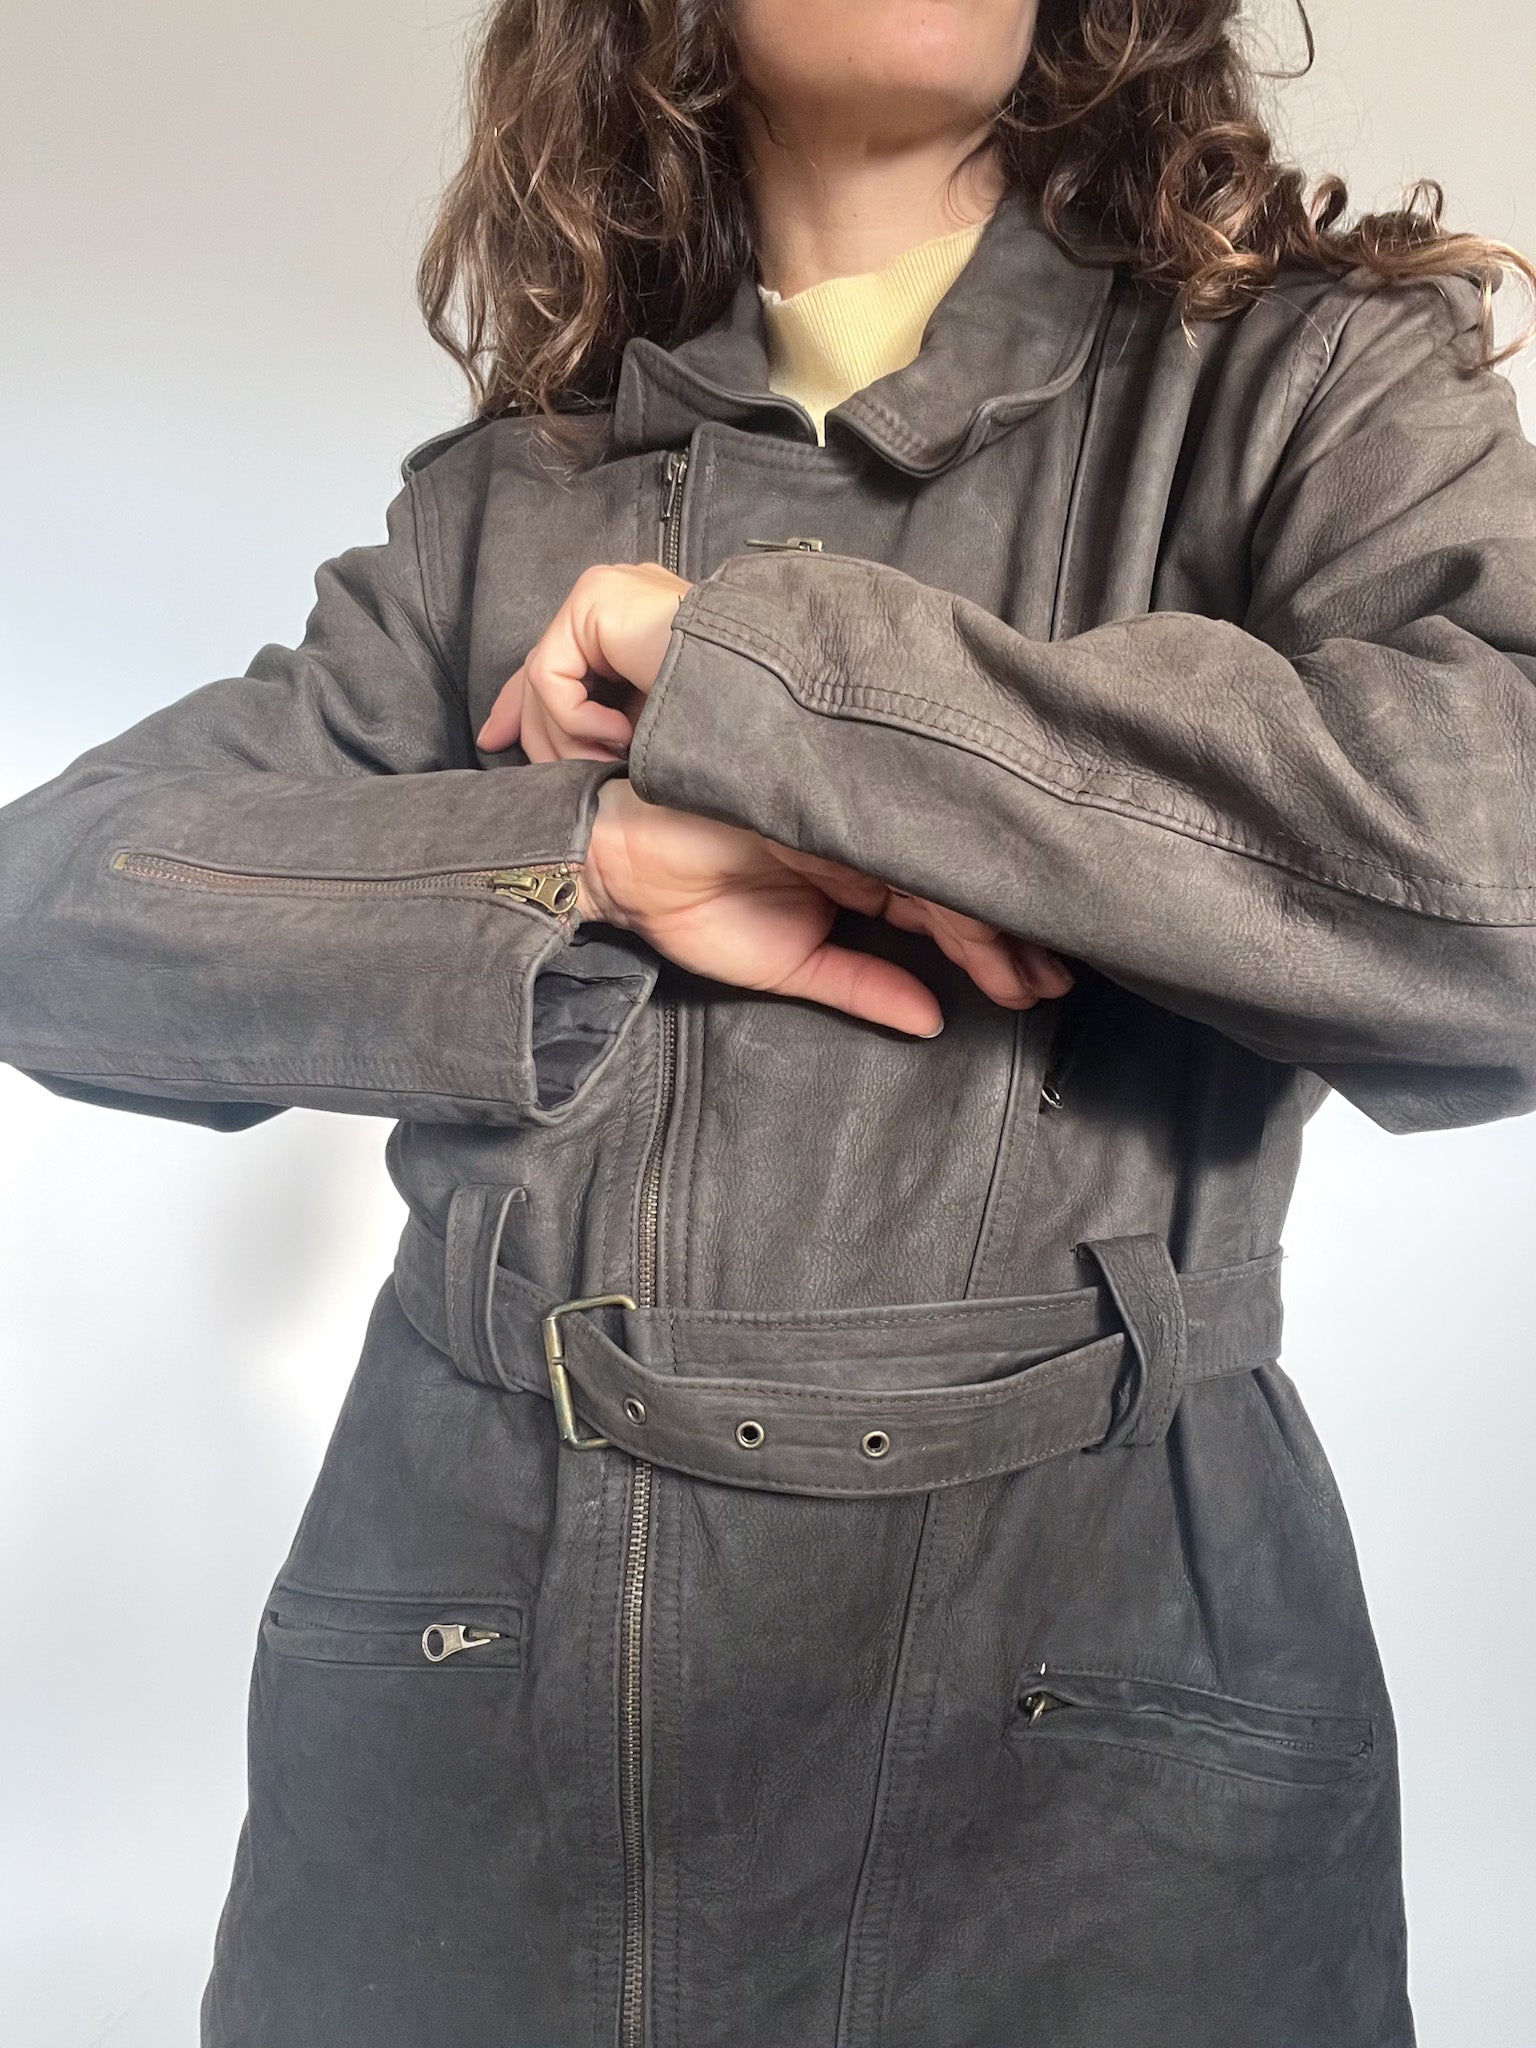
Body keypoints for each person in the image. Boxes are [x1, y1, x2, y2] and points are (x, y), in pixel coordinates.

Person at [4, 1, 1536, 2042]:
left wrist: (772, 682)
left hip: (1091, 1731)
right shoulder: (507, 498)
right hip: (480, 1707)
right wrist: (589, 859)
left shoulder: (1297, 380)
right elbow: (47, 908)